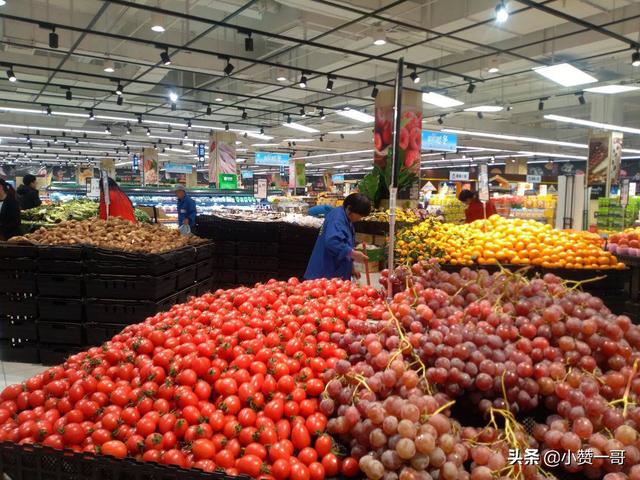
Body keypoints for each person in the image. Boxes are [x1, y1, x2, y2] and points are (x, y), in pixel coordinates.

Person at [305, 193, 371, 281]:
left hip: (336, 271)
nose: (360, 218)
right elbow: (333, 242)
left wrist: (351, 269)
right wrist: (353, 254)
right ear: (349, 208)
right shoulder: (337, 218)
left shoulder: (346, 218)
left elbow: (346, 243)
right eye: (359, 215)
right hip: (326, 273)